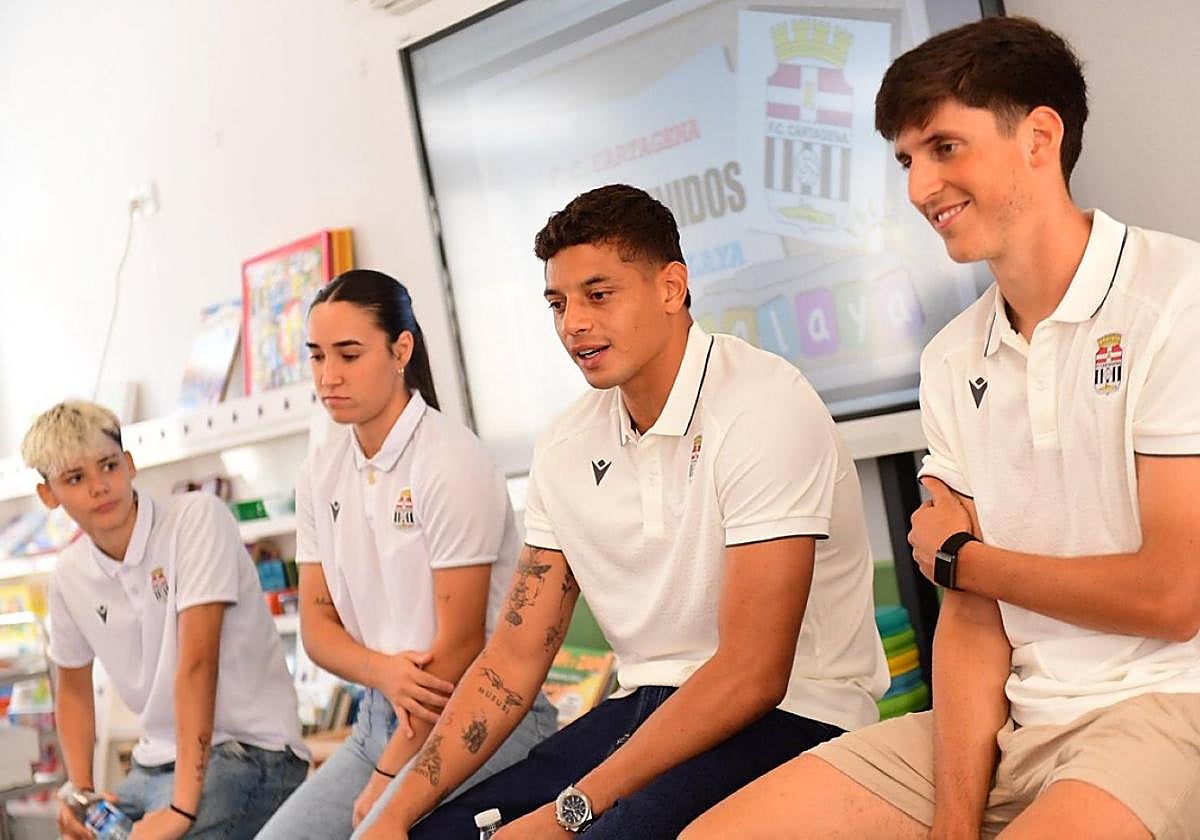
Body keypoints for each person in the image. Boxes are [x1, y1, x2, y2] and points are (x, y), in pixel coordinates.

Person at [682, 15, 1200, 839]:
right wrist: (954, 824)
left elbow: (1173, 595)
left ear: (1039, 136)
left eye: (944, 148)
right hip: (1016, 716)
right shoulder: (952, 357)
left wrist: (969, 558)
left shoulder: (1176, 297)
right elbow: (968, 614)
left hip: (1167, 706)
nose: (920, 188)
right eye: (905, 160)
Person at [360, 183, 888, 839]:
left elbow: (753, 674)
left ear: (672, 288)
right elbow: (512, 661)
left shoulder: (763, 406)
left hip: (797, 712)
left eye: (598, 294)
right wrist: (397, 809)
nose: (572, 323)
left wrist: (569, 811)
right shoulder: (565, 446)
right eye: (558, 303)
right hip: (639, 707)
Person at [256, 269, 557, 840]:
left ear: (401, 349)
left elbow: (461, 648)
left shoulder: (450, 460)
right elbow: (318, 628)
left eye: (349, 354)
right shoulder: (320, 474)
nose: (329, 376)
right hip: (380, 716)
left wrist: (391, 776)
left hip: (478, 713)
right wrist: (385, 675)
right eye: (318, 357)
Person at [22, 401, 309, 840]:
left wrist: (181, 808)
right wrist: (81, 795)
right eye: (75, 479)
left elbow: (197, 665)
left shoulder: (196, 518)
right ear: (48, 495)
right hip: (153, 764)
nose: (99, 487)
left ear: (130, 464)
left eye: (108, 466)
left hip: (253, 753)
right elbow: (74, 690)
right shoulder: (69, 574)